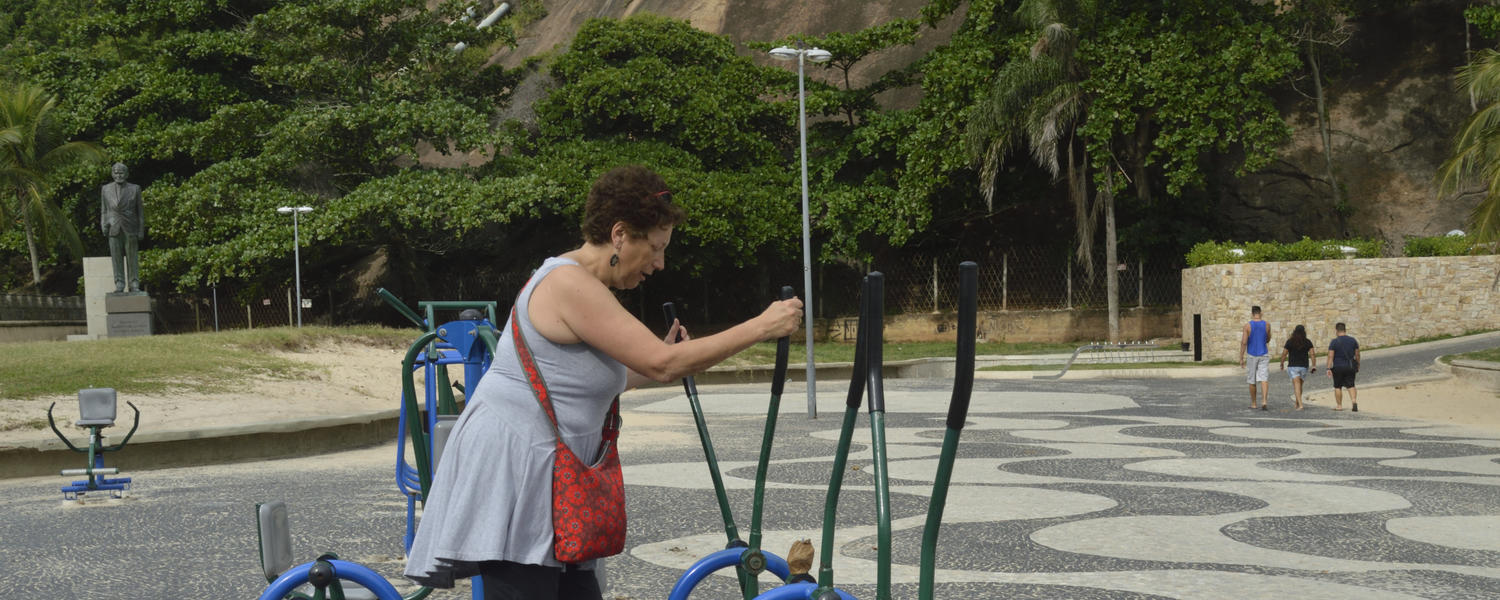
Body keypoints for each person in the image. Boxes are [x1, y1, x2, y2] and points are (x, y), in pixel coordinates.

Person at [403, 165, 804, 600]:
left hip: (551, 473)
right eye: (655, 248)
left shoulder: (584, 285)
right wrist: (762, 326)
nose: (660, 263)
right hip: (518, 467)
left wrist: (671, 356)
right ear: (619, 234)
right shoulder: (568, 282)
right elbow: (663, 364)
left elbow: (596, 378)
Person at [100, 162, 144, 293]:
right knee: (116, 257)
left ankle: (134, 283)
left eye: (121, 172)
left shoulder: (135, 188)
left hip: (131, 227)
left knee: (132, 257)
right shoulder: (105, 189)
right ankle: (119, 283)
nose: (119, 175)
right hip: (113, 227)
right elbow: (104, 210)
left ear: (127, 174)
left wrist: (141, 230)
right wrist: (103, 224)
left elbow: (140, 212)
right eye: (116, 172)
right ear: (112, 174)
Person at [1239, 305, 1273, 410]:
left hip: (1252, 354)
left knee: (1252, 379)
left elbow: (1244, 342)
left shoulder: (1247, 326)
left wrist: (1241, 357)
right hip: (1263, 353)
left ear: (1252, 314)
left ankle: (1254, 403)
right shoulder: (1267, 325)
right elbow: (1268, 339)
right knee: (1264, 378)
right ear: (1260, 313)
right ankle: (1264, 401)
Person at [1277, 324, 1317, 410]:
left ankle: (1301, 405)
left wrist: (1282, 363)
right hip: (1304, 366)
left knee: (1296, 385)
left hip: (1293, 366)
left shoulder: (1290, 341)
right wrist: (1314, 365)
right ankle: (1297, 403)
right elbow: (1312, 354)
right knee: (1299, 386)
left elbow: (1284, 353)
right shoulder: (1307, 342)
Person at [1326, 322, 1361, 411]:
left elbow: (1330, 356)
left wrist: (1328, 368)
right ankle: (1354, 401)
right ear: (1345, 330)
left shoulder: (1334, 342)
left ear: (1337, 331)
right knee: (1351, 385)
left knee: (1338, 386)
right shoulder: (1353, 340)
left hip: (1338, 367)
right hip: (1350, 366)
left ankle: (1339, 406)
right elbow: (1357, 354)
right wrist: (1357, 364)